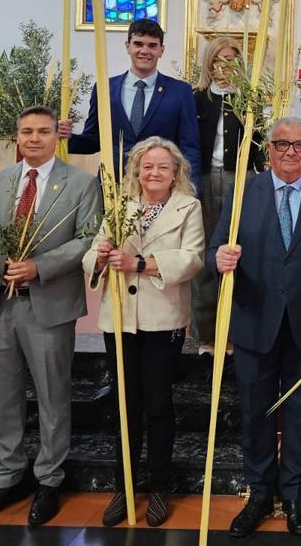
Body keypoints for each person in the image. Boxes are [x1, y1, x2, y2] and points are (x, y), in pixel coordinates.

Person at [0, 106, 102, 528]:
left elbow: (88, 238)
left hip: (48, 304)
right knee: (0, 397)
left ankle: (49, 478)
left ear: (56, 137)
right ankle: (8, 475)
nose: (34, 139)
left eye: (43, 131)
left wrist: (40, 266)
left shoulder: (81, 184)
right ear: (17, 137)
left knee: (52, 395)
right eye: (27, 132)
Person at [209, 118, 301, 538]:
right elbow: (215, 248)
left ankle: (295, 496)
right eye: (282, 144)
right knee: (256, 411)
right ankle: (259, 493)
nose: (290, 152)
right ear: (268, 148)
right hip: (254, 321)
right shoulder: (243, 192)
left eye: (299, 145)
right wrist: (219, 259)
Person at [83, 137, 204, 528]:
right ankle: (124, 487)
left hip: (162, 319)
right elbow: (91, 253)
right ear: (136, 170)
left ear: (175, 172)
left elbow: (192, 258)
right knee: (124, 405)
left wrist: (140, 263)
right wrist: (100, 258)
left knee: (158, 405)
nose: (154, 173)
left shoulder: (188, 207)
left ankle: (159, 488)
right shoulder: (121, 205)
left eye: (162, 167)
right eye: (147, 166)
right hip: (120, 318)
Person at [59, 19, 202, 193]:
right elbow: (93, 140)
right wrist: (63, 137)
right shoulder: (105, 89)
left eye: (152, 45)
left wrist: (190, 191)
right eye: (138, 44)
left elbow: (189, 148)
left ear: (161, 50)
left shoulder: (180, 92)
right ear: (127, 46)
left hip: (160, 188)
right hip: (114, 186)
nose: (145, 51)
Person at [191, 36, 262, 356]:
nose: (224, 66)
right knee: (206, 254)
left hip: (241, 179)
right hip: (205, 178)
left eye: (231, 60)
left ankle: (237, 332)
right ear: (210, 63)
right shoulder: (197, 98)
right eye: (219, 60)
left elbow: (259, 143)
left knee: (238, 253)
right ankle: (206, 334)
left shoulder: (249, 99)